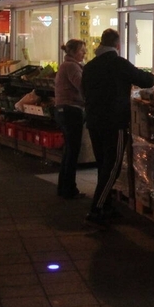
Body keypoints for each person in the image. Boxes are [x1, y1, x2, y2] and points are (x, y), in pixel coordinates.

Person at [81, 28, 154, 227]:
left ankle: (106, 204)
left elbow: (84, 92)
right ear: (117, 45)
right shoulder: (118, 64)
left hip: (94, 121)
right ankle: (96, 207)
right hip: (114, 122)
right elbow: (146, 80)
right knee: (112, 165)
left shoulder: (89, 66)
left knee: (103, 164)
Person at [54, 38, 87, 199]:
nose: (84, 53)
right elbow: (82, 86)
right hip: (71, 110)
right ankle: (69, 188)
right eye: (81, 50)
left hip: (63, 110)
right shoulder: (72, 67)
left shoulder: (66, 65)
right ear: (73, 52)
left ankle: (64, 186)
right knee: (72, 151)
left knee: (69, 150)